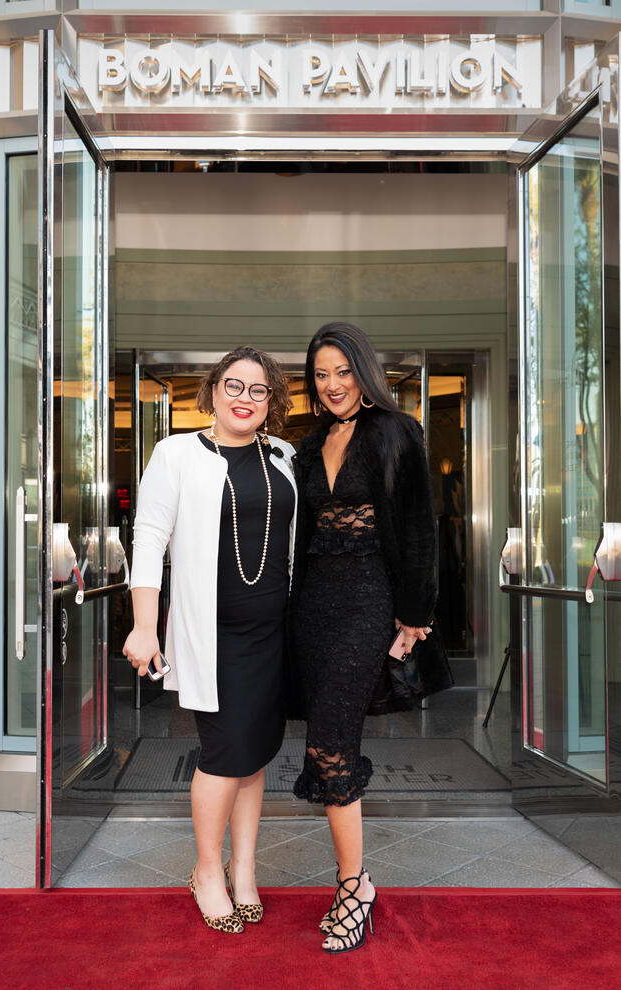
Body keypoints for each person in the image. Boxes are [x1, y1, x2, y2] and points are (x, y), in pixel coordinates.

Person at [124, 346, 296, 934]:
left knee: (255, 754)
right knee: (224, 755)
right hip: (213, 636)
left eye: (258, 389)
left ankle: (244, 869)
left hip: (273, 632)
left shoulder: (285, 456)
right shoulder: (176, 453)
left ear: (271, 401)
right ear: (213, 392)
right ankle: (206, 870)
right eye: (234, 386)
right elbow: (148, 538)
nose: (245, 398)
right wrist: (145, 626)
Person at [291, 322, 438, 954]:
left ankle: (353, 887)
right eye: (321, 374)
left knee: (329, 739)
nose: (332, 385)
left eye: (343, 371)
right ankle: (357, 884)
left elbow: (419, 527)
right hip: (311, 605)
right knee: (328, 733)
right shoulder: (309, 440)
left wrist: (414, 615)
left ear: (364, 371)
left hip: (369, 601)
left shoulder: (396, 431)